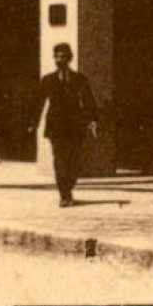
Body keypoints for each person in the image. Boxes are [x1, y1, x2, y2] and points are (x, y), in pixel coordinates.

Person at [28, 43, 99, 207]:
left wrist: (92, 120)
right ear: (54, 58)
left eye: (63, 56)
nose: (60, 59)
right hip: (56, 126)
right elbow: (38, 102)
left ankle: (69, 186)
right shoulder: (48, 80)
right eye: (57, 56)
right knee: (60, 160)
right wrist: (33, 123)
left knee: (74, 161)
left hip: (75, 125)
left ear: (70, 58)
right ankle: (64, 194)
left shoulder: (80, 79)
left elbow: (89, 101)